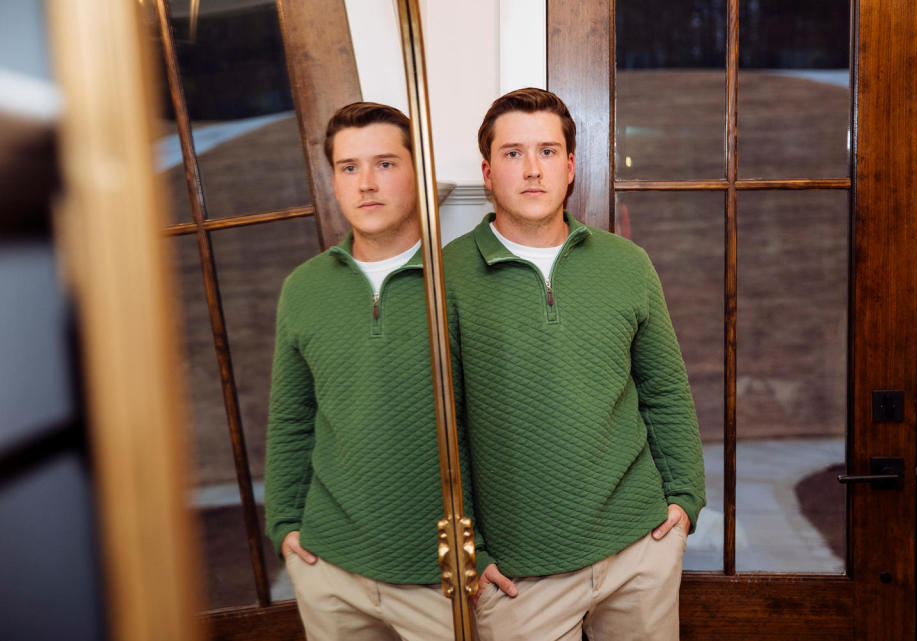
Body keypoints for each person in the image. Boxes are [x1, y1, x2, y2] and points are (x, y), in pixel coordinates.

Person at [444, 88, 706, 641]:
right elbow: (442, 429)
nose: (532, 169)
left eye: (547, 151)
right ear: (488, 172)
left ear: (569, 167)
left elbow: (663, 390)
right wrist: (473, 552)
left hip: (640, 550)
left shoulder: (626, 263)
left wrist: (684, 496)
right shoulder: (442, 280)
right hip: (518, 578)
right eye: (513, 154)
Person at [264, 102, 453, 641]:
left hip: (440, 577)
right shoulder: (304, 287)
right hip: (330, 567)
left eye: (386, 164)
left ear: (419, 172)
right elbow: (292, 418)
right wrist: (286, 525)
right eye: (349, 167)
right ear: (333, 181)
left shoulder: (460, 279)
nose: (366, 183)